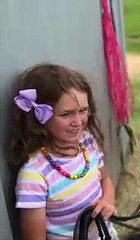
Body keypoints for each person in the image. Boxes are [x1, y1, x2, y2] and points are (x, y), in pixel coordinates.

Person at [10, 63, 118, 239]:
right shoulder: (34, 176)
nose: (78, 121)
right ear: (40, 117)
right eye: (66, 114)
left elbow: (105, 179)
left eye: (83, 110)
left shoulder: (87, 141)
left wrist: (107, 201)